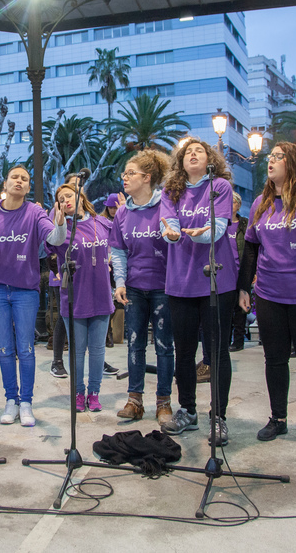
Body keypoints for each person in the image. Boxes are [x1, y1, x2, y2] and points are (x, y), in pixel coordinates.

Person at [238, 142, 296, 449]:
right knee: (274, 359)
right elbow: (251, 245)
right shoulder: (261, 203)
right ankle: (278, 418)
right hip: (270, 293)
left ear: (292, 162)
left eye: (278, 157)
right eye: (270, 157)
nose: (271, 161)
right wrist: (243, 287)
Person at [158, 138, 237, 445]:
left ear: (210, 159)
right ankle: (187, 410)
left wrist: (202, 234)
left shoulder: (220, 187)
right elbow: (170, 227)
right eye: (187, 152)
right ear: (180, 161)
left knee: (216, 352)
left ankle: (218, 416)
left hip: (217, 280)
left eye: (199, 151)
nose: (192, 154)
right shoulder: (170, 191)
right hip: (180, 280)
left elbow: (217, 229)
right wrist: (173, 235)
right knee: (184, 350)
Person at [0, 165, 66, 426]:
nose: (19, 181)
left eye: (24, 179)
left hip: (25, 291)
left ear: (28, 187)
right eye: (14, 177)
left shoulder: (35, 212)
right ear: (5, 184)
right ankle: (10, 401)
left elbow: (56, 239)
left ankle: (26, 402)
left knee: (26, 349)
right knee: (4, 349)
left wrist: (59, 222)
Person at [110, 150, 173, 426]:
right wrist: (120, 283)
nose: (125, 177)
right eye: (124, 173)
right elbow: (119, 252)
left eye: (131, 173)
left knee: (163, 347)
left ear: (147, 178)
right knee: (134, 346)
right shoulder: (122, 213)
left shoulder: (167, 206)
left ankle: (164, 402)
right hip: (134, 288)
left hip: (164, 288)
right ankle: (135, 400)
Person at [52, 182, 115, 412]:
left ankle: (94, 392)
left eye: (69, 196)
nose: (66, 201)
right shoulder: (60, 230)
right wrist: (58, 221)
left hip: (101, 297)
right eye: (60, 199)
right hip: (74, 298)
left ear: (80, 197)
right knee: (77, 351)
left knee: (98, 350)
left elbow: (119, 246)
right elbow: (48, 249)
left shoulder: (102, 223)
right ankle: (78, 393)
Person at [227, 192, 249, 352]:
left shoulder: (244, 224)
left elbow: (250, 248)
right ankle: (225, 340)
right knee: (225, 309)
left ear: (238, 205)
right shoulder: (221, 224)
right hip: (224, 272)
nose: (230, 205)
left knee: (241, 310)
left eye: (233, 202)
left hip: (240, 271)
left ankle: (239, 341)